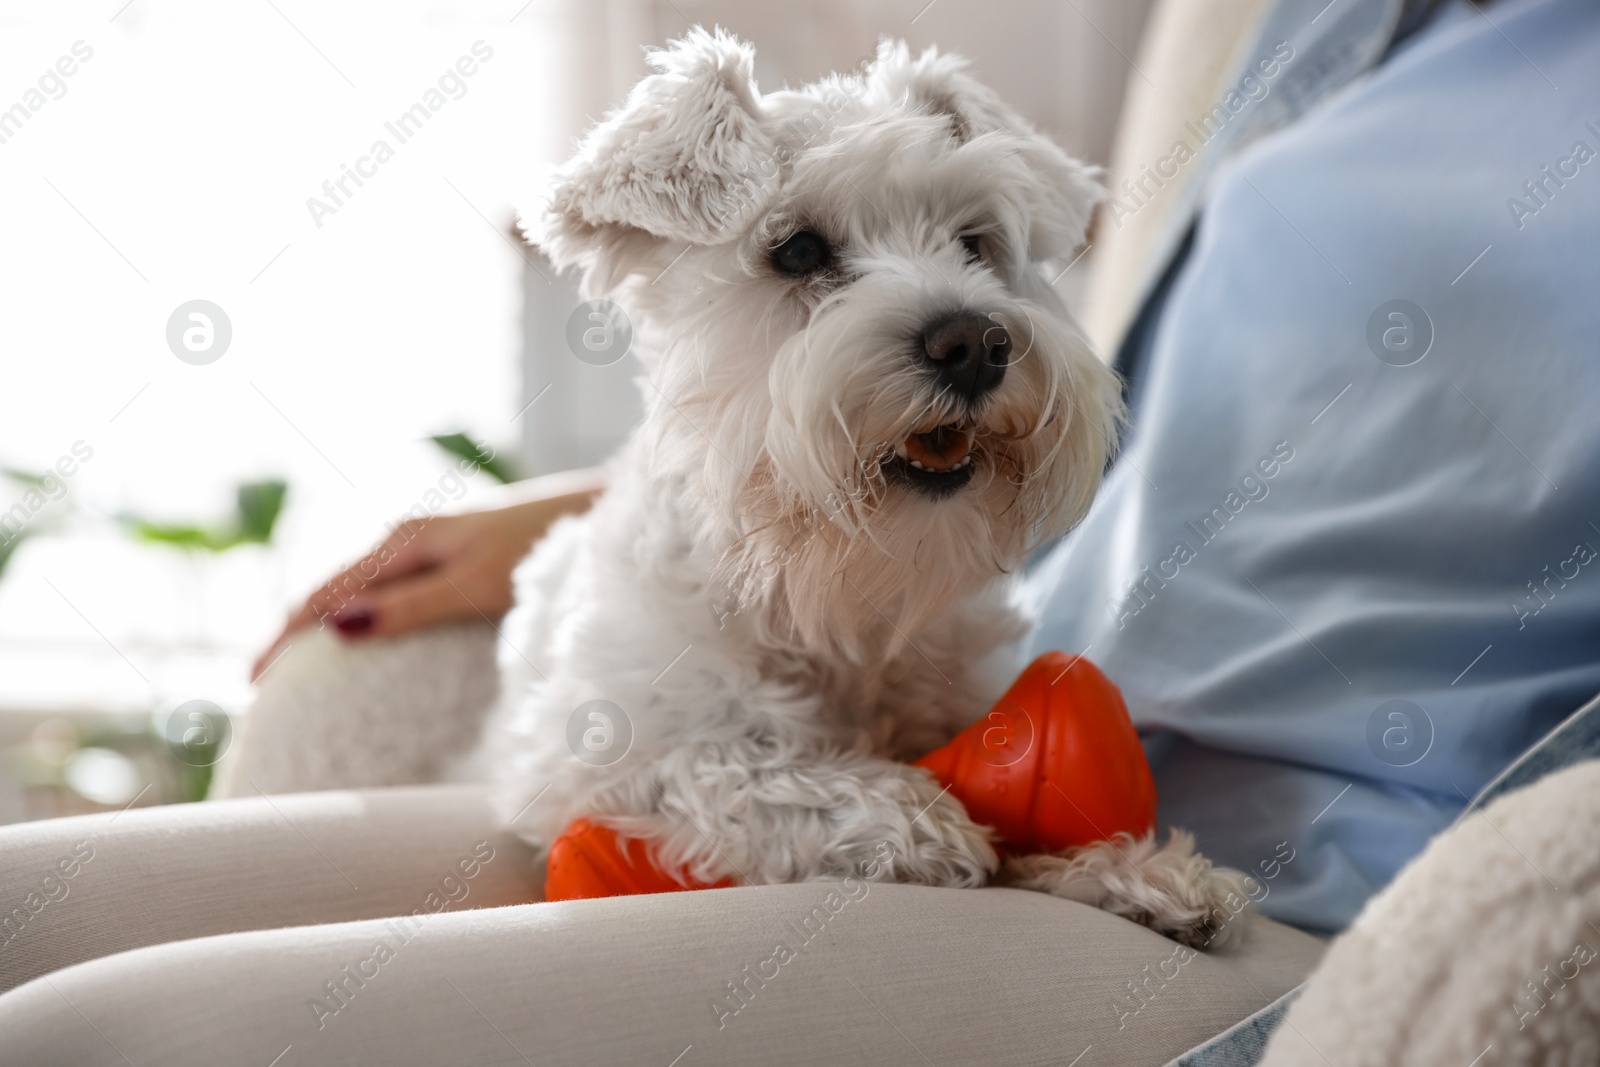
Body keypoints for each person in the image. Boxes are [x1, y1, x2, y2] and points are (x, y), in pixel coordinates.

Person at [5, 0, 1597, 1063]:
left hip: (1310, 881)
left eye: (975, 243)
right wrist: (582, 506)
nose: (958, 311)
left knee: (106, 1040)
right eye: (811, 253)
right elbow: (1151, 422)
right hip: (1026, 730)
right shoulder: (1356, 21)